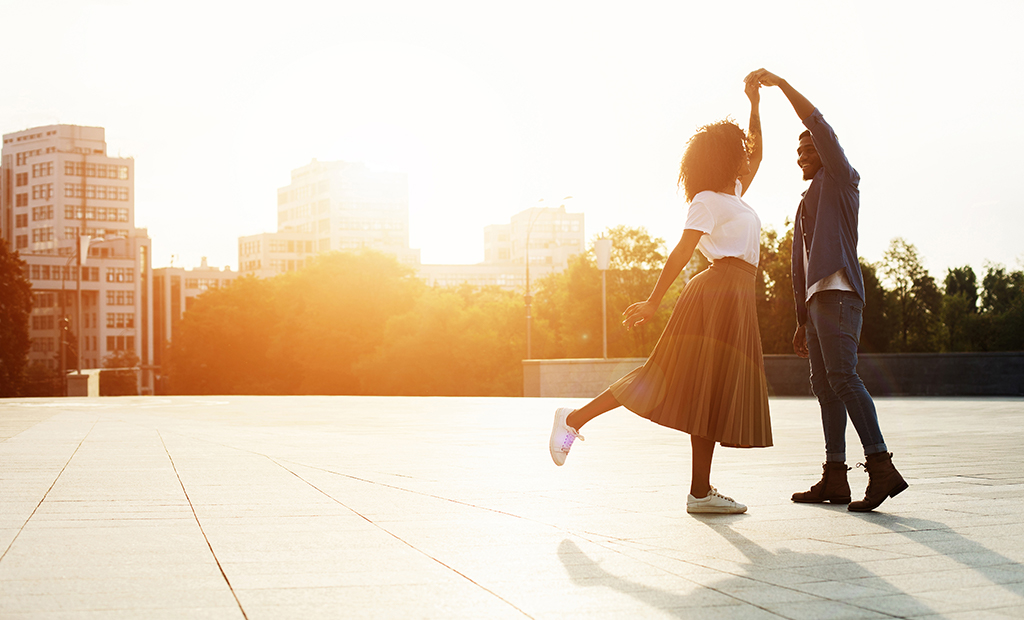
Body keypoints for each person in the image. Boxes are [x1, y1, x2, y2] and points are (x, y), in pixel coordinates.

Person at [548, 77, 772, 515]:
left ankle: (700, 493)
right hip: (715, 292)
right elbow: (682, 251)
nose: (746, 153)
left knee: (710, 390)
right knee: (660, 376)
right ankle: (572, 420)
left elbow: (758, 150)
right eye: (738, 149)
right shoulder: (706, 200)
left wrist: (755, 102)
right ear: (723, 157)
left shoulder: (736, 195)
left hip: (738, 296)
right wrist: (653, 301)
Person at [748, 68, 907, 512]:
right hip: (818, 303)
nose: (799, 157)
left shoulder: (840, 178)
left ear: (823, 150)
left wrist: (779, 87)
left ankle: (880, 466)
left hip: (840, 294)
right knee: (824, 384)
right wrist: (801, 318)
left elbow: (818, 122)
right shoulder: (804, 203)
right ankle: (835, 476)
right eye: (796, 152)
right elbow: (800, 266)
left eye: (805, 149)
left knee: (842, 377)